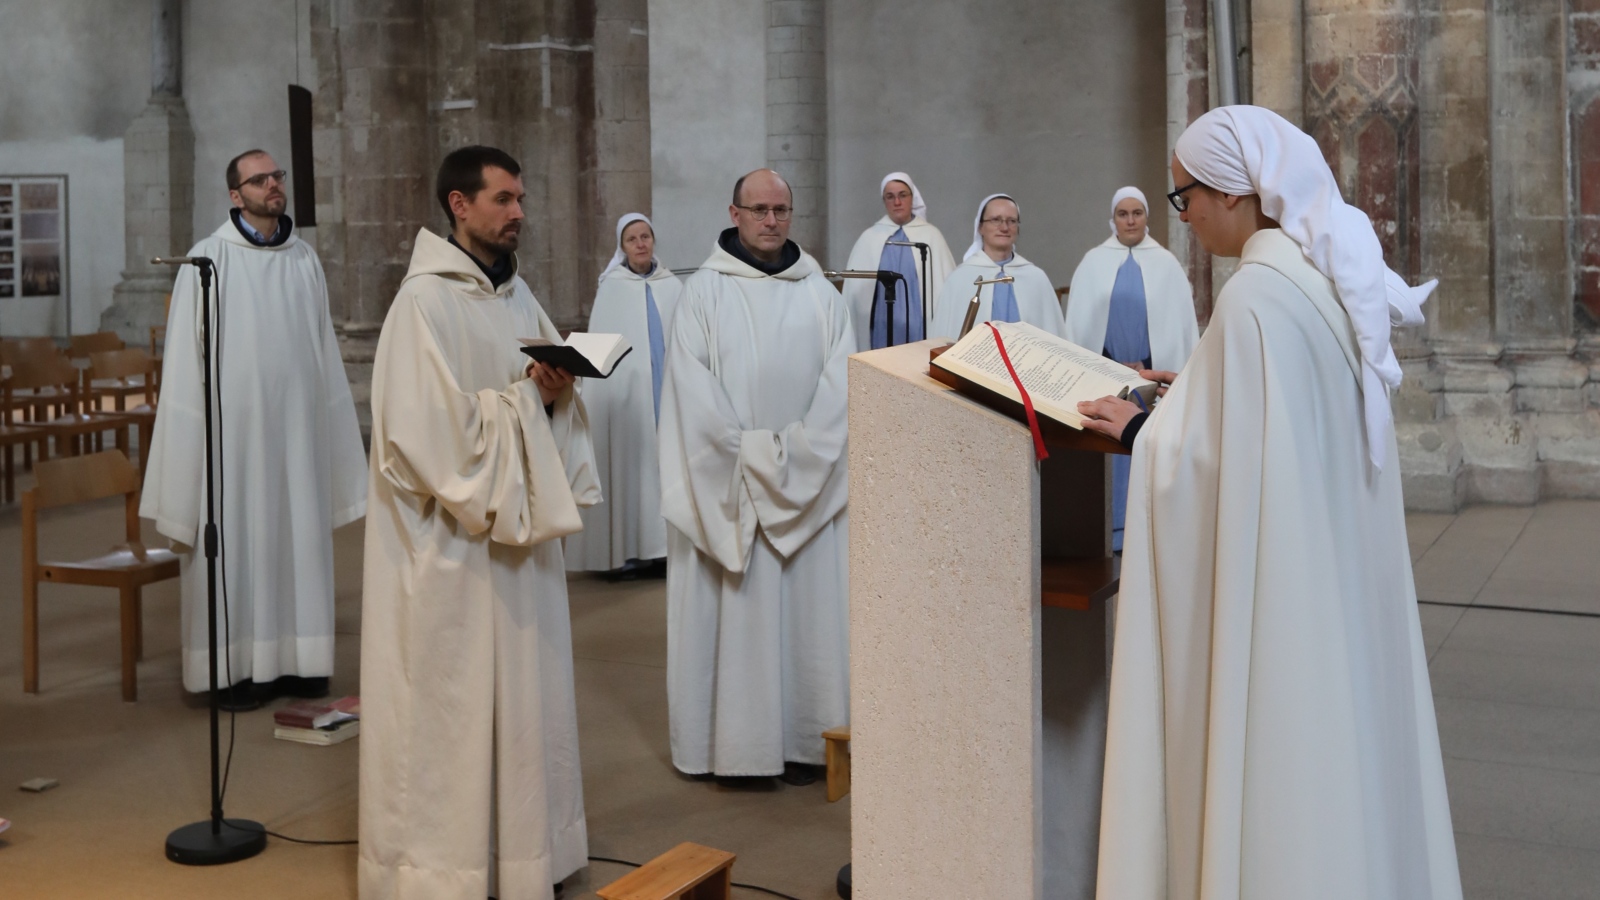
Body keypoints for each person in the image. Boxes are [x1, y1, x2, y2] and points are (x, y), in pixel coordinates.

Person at [1076, 106, 1462, 899]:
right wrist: (1200, 396)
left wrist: (1147, 428)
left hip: (1288, 597)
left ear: (1232, 191)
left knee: (1279, 763)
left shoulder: (1255, 292)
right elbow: (1280, 420)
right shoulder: (1320, 268)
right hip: (1335, 578)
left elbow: (1215, 470)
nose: (1184, 219)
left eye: (1184, 199)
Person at [359, 145, 599, 900]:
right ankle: (443, 872)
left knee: (525, 705)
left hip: (517, 549)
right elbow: (425, 439)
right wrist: (527, 401)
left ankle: (524, 856)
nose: (518, 212)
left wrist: (556, 394)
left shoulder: (518, 299)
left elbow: (539, 406)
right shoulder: (422, 305)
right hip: (449, 552)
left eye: (521, 198)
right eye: (503, 199)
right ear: (459, 206)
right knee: (449, 712)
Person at [141, 149, 367, 710]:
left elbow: (323, 353)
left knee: (296, 538)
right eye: (259, 179)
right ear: (235, 195)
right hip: (231, 442)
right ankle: (232, 670)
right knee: (236, 542)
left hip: (295, 436)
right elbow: (185, 364)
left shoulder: (303, 260)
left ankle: (299, 661)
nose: (273, 185)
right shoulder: (207, 261)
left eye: (277, 176)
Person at [658, 168, 851, 785]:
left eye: (782, 210)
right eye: (760, 209)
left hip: (806, 488)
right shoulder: (704, 293)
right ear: (734, 212)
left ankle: (806, 740)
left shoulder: (821, 293)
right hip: (732, 489)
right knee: (738, 615)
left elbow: (844, 393)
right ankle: (736, 750)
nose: (772, 221)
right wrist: (764, 461)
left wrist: (795, 459)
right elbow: (692, 398)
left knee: (808, 621)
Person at [1063, 186, 1199, 551]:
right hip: (1103, 376)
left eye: (1137, 212)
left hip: (1149, 382)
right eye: (1123, 213)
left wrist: (1150, 366)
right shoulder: (1093, 262)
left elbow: (1179, 330)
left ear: (1147, 217)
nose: (1131, 220)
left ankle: (1146, 533)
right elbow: (1079, 328)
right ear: (1113, 218)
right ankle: (1108, 531)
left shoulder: (1167, 264)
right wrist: (1105, 361)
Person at [564, 213, 681, 578]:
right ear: (622, 246)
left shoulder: (672, 286)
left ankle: (664, 550)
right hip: (628, 401)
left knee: (666, 468)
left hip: (666, 393)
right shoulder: (612, 287)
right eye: (632, 239)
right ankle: (627, 555)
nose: (641, 243)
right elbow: (602, 353)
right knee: (631, 470)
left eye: (646, 236)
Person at [842, 172, 957, 350]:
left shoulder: (931, 236)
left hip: (920, 327)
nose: (897, 202)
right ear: (884, 201)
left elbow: (948, 290)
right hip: (880, 326)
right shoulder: (869, 238)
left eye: (902, 195)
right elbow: (855, 294)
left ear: (913, 197)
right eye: (890, 197)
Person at [930, 193, 1065, 339]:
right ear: (980, 227)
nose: (1004, 227)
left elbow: (1052, 338)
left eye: (1012, 221)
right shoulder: (960, 278)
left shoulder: (1036, 278)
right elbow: (943, 338)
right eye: (995, 220)